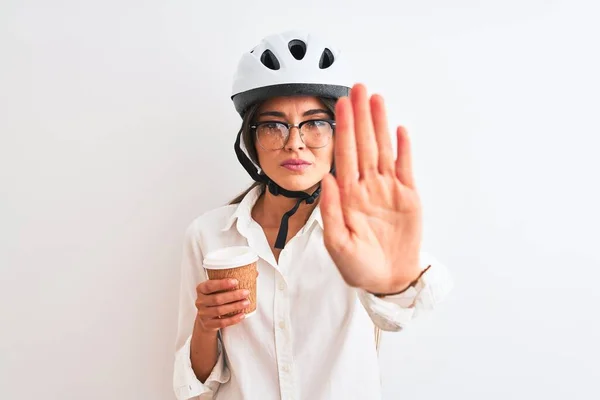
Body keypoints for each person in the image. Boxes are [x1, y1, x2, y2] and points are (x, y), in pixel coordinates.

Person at [172, 30, 453, 400]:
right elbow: (194, 392)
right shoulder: (209, 234)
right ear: (251, 138)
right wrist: (206, 326)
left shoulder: (361, 228)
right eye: (273, 125)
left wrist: (395, 281)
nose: (295, 142)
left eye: (316, 123)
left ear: (339, 136)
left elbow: (404, 310)